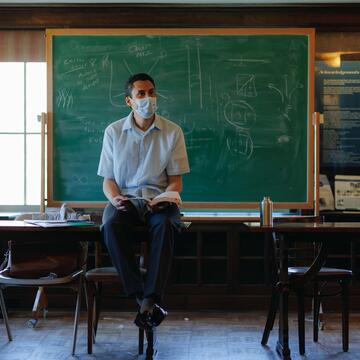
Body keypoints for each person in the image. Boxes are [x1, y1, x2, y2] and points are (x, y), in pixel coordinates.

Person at [97, 73, 190, 330]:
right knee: (110, 226)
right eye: (141, 94)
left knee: (167, 225)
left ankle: (150, 297)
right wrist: (114, 198)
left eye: (151, 92)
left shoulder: (172, 131)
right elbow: (108, 179)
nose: (147, 98)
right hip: (125, 199)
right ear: (129, 101)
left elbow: (176, 182)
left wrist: (163, 198)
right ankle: (141, 296)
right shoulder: (113, 132)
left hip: (158, 200)